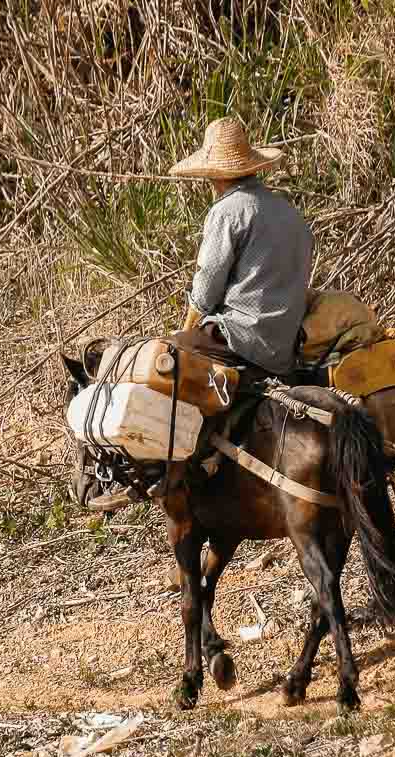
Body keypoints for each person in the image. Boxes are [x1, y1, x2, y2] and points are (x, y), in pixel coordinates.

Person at [83, 117, 316, 511]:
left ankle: (165, 473)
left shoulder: (227, 212)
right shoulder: (288, 212)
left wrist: (185, 331)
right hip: (284, 346)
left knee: (159, 360)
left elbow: (206, 285)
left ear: (214, 175)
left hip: (240, 338)